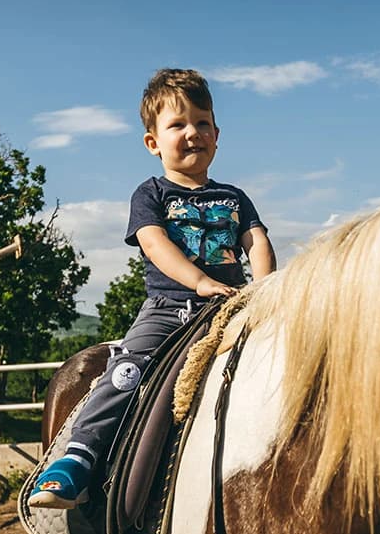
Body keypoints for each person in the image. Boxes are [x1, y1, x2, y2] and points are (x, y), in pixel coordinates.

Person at [29, 68, 277, 510]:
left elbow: (255, 239)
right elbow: (154, 243)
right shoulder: (152, 194)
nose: (192, 133)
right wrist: (200, 281)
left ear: (217, 135)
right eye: (177, 125)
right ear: (153, 143)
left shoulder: (234, 198)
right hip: (170, 308)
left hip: (233, 306)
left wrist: (266, 288)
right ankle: (78, 457)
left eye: (202, 123)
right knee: (126, 372)